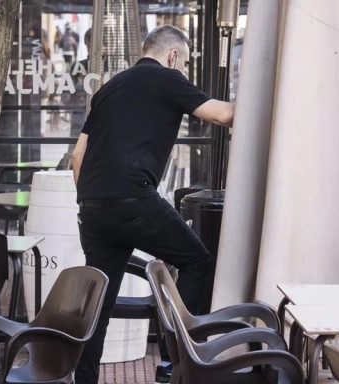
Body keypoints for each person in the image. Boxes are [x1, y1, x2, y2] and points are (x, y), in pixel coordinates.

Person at [71, 25, 234, 384]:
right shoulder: (167, 79)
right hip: (133, 200)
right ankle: (177, 363)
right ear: (173, 56)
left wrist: (89, 200)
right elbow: (224, 116)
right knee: (196, 262)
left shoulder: (108, 89)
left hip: (93, 209)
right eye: (186, 62)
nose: (185, 70)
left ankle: (83, 380)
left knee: (100, 300)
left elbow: (78, 155)